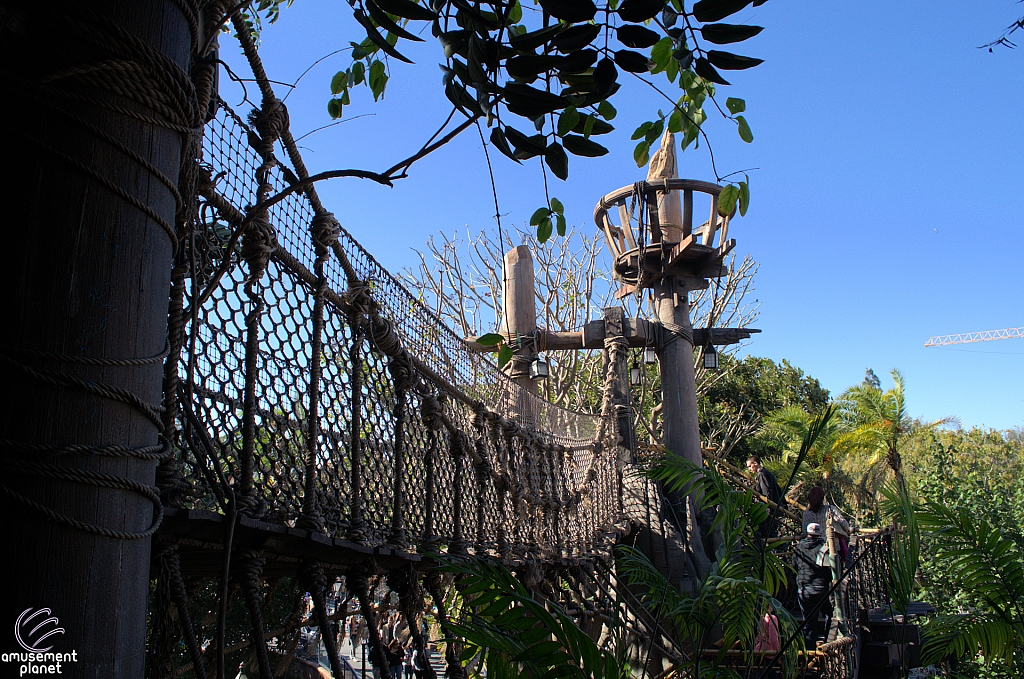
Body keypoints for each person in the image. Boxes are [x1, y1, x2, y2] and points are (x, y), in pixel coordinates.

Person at [793, 522, 834, 645]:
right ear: (820, 534)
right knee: (830, 614)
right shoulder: (824, 548)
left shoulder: (798, 548)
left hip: (805, 589)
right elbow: (830, 569)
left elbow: (794, 567)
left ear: (807, 534)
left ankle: (810, 651)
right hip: (822, 588)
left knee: (809, 622)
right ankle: (828, 641)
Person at [802, 486, 851, 563]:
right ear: (822, 498)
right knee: (836, 571)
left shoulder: (806, 514)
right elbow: (844, 524)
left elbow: (805, 531)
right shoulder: (830, 509)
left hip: (814, 550)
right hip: (832, 548)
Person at [747, 455, 782, 536]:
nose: (749, 469)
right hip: (774, 505)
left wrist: (767, 506)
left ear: (755, 463)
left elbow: (766, 491)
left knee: (769, 532)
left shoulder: (761, 474)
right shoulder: (766, 473)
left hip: (769, 507)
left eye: (750, 466)